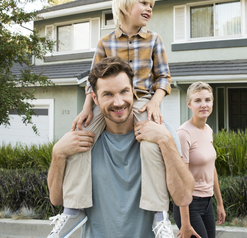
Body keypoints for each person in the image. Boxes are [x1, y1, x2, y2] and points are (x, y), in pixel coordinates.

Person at [46, 0, 174, 238]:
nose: (149, 8)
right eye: (144, 3)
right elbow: (93, 81)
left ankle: (160, 217)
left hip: (141, 103)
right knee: (81, 139)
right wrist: (86, 109)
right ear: (125, 6)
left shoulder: (154, 40)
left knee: (151, 145)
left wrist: (155, 102)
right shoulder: (105, 42)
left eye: (151, 5)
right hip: (105, 103)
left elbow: (164, 78)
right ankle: (73, 210)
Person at [48, 57, 194, 238]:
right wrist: (57, 154)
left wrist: (166, 141)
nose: (118, 102)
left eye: (124, 91)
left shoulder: (162, 133)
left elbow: (184, 197)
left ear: (133, 91)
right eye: (108, 94)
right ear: (94, 97)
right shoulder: (80, 139)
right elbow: (56, 199)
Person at [173, 82, 226, 238]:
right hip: (189, 204)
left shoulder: (208, 130)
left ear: (212, 102)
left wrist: (220, 203)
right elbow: (180, 179)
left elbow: (211, 168)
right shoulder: (183, 134)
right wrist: (185, 222)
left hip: (207, 202)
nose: (204, 105)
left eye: (207, 100)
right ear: (189, 104)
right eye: (197, 101)